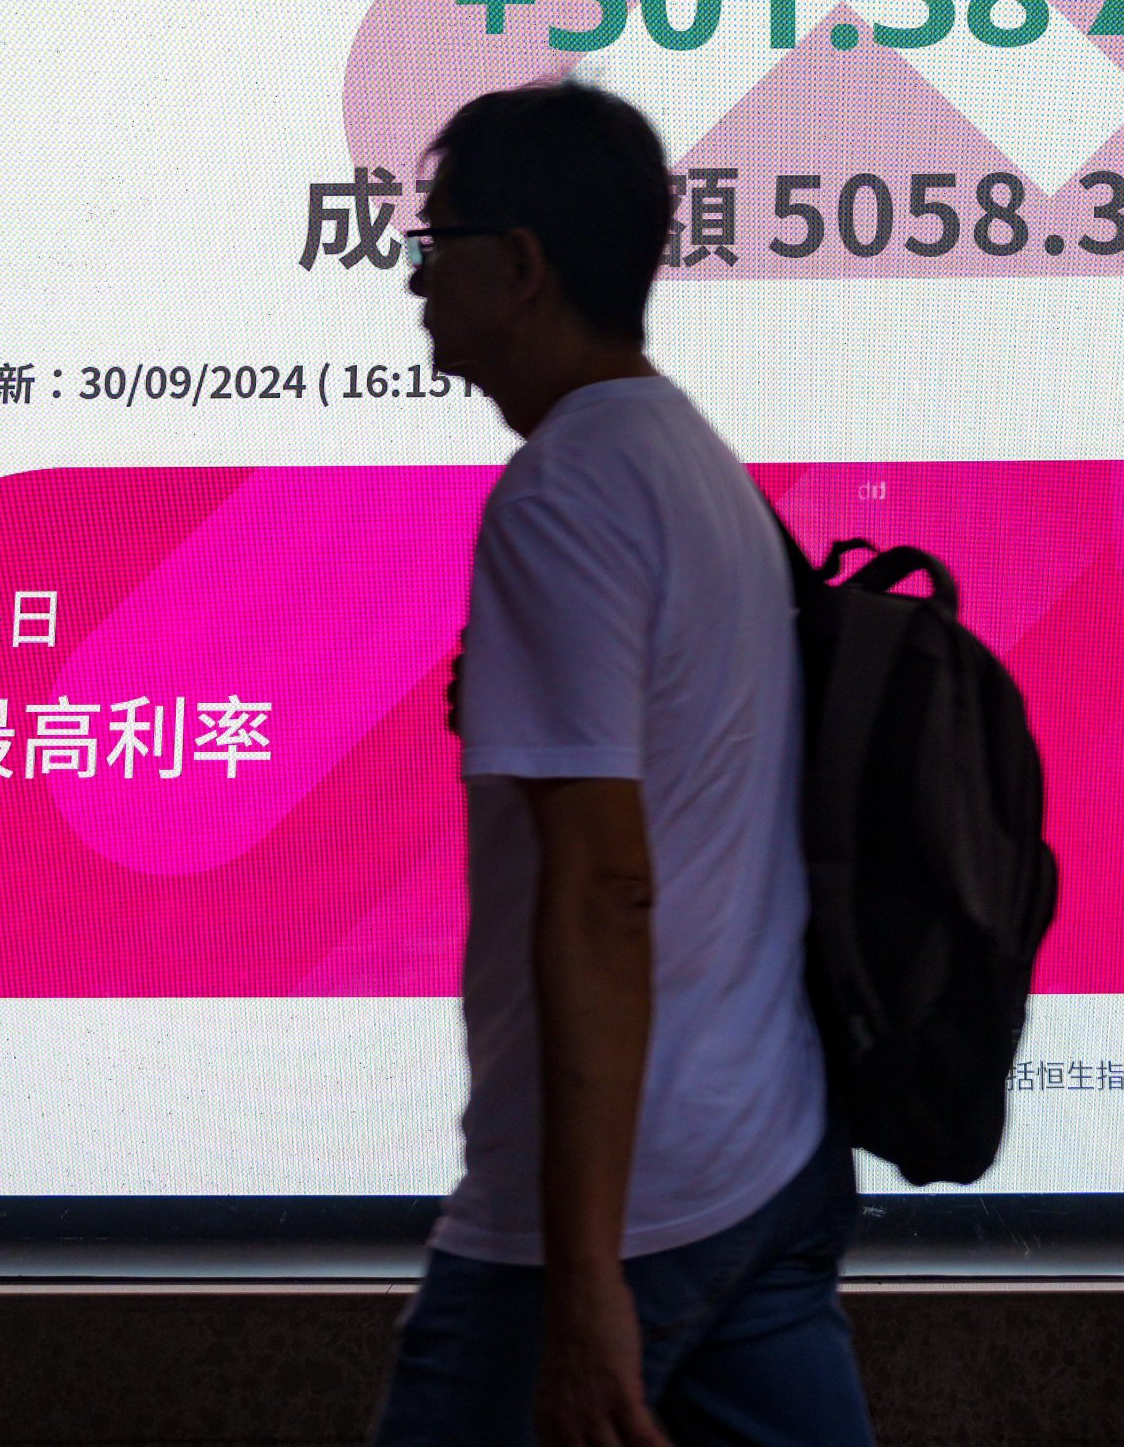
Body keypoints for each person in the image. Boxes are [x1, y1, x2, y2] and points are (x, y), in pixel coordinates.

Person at [368, 80, 868, 1447]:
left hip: (602, 1202)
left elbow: (602, 886)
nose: (412, 271)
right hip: (759, 1147)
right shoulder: (687, 460)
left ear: (519, 266)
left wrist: (584, 1276)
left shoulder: (563, 495)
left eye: (436, 233)